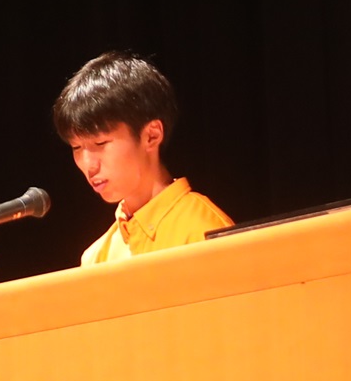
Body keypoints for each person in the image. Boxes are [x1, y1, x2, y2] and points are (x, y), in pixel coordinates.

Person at [53, 53, 230, 264]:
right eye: (77, 147)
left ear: (151, 136)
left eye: (100, 143)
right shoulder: (96, 256)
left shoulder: (204, 232)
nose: (89, 165)